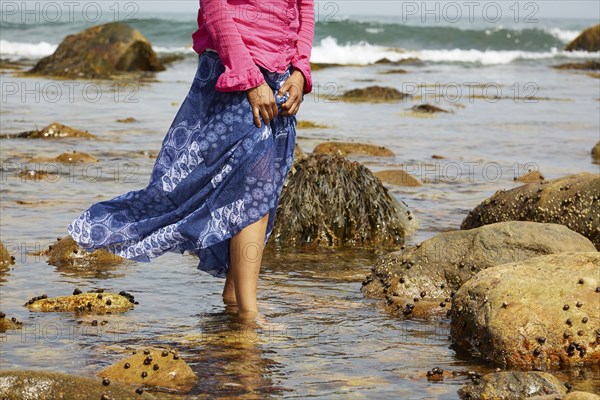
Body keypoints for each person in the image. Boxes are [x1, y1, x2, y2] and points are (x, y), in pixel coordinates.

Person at [67, 0, 315, 320]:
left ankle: (235, 297)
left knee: (260, 188)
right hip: (233, 71)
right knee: (250, 188)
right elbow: (215, 9)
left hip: (281, 78)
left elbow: (305, 8)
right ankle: (249, 315)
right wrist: (249, 78)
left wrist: (300, 71)